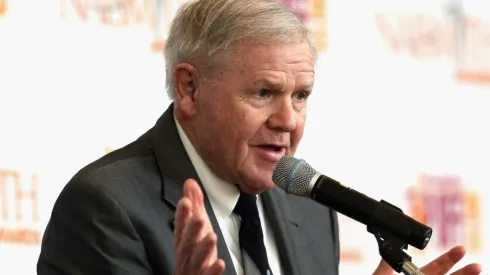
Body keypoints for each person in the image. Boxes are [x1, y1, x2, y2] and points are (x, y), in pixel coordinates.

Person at [37, 0, 482, 274]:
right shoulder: (105, 207)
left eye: (301, 96)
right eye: (264, 92)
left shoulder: (306, 211)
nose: (288, 120)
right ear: (189, 88)